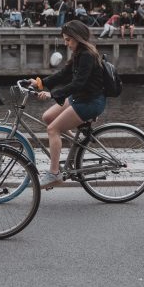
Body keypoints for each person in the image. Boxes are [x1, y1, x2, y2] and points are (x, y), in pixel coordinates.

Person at [29, 20, 108, 188]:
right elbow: (64, 74)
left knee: (53, 129)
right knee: (48, 117)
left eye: (68, 40)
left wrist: (52, 94)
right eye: (65, 40)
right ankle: (77, 143)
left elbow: (78, 84)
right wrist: (40, 83)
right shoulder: (79, 53)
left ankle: (54, 173)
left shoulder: (87, 55)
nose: (66, 43)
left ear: (78, 38)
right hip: (80, 98)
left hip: (91, 102)